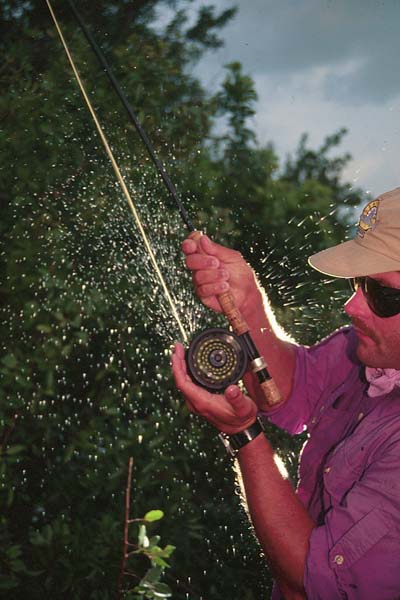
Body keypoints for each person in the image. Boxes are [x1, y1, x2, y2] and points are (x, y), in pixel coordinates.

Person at [171, 187, 400, 600]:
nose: (352, 308)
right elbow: (289, 396)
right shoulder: (371, 351)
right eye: (359, 283)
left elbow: (311, 583)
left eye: (383, 295)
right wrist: (248, 302)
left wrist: (243, 434)